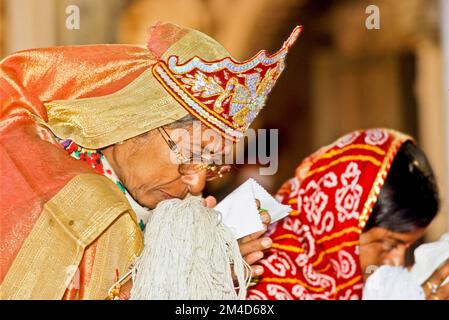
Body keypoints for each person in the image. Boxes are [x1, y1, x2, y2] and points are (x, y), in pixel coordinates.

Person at [0, 21, 301, 299]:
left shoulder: (148, 212)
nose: (195, 184)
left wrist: (209, 273)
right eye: (189, 155)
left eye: (211, 166)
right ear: (136, 122)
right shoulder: (81, 203)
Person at [247, 128, 448, 300]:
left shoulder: (351, 283)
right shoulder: (260, 268)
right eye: (389, 245)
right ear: (344, 224)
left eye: (407, 247)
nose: (397, 262)